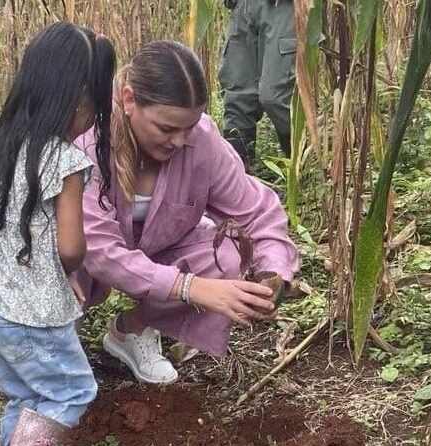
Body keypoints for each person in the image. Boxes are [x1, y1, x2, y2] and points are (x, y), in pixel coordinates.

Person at [72, 40, 298, 385]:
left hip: (161, 250)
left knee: (232, 255)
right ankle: (60, 334)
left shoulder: (202, 140)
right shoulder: (90, 141)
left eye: (188, 128)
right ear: (130, 100)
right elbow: (98, 251)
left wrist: (273, 274)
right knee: (56, 358)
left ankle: (132, 329)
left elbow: (256, 212)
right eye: (166, 129)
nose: (179, 141)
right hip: (80, 265)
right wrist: (190, 287)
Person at [0, 22, 115, 446]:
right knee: (70, 391)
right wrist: (72, 268)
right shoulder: (66, 161)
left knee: (26, 394)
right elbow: (70, 249)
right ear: (79, 97)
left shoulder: (4, 145)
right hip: (27, 313)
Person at [218, 0, 296, 169]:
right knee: (237, 96)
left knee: (275, 96)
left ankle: (304, 173)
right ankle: (235, 181)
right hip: (244, 7)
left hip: (284, 7)